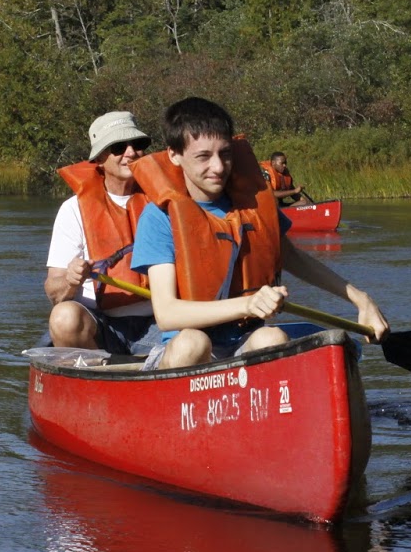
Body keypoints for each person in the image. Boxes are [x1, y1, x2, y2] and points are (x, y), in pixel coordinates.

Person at [129, 97, 389, 369]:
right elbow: (168, 314)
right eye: (203, 156)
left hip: (242, 341)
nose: (218, 167)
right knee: (194, 343)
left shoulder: (253, 206)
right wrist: (247, 305)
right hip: (184, 348)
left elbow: (293, 258)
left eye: (225, 153)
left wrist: (361, 299)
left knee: (272, 337)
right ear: (174, 155)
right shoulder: (159, 217)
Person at [44, 111, 156, 353]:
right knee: (64, 317)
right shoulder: (72, 209)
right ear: (100, 158)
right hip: (101, 325)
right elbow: (54, 292)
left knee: (195, 337)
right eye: (118, 147)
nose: (130, 152)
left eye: (137, 144)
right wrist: (70, 280)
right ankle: (96, 377)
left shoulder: (164, 200)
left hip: (160, 323)